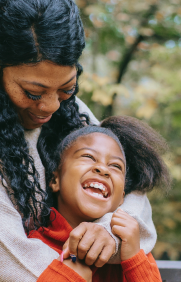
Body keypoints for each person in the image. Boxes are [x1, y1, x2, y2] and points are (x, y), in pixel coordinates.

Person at [0, 0, 158, 281]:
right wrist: (95, 252)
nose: (51, 106)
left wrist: (107, 232)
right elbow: (11, 268)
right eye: (32, 92)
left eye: (66, 88)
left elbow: (134, 193)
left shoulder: (71, 110)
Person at [29, 116, 171, 282]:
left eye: (115, 166)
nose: (103, 169)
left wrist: (134, 258)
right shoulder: (33, 244)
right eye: (88, 157)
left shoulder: (131, 249)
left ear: (121, 198)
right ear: (55, 180)